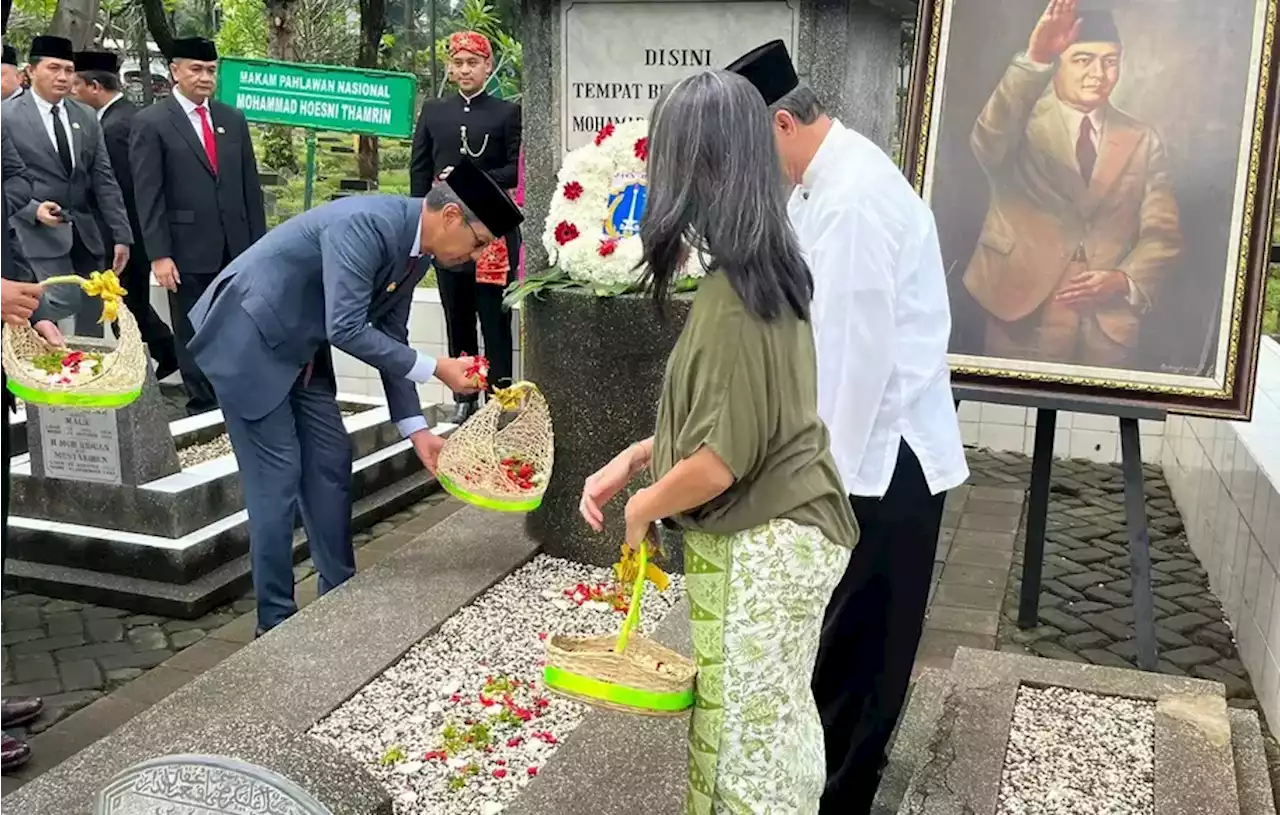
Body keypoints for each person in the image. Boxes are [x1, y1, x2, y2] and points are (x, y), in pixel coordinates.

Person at [577, 70, 858, 814]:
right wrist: (639, 456)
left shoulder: (737, 294)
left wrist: (644, 508)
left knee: (744, 753)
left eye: (664, 156)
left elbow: (719, 463)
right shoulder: (763, 269)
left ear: (699, 168)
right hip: (786, 529)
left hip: (764, 535)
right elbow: (741, 419)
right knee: (766, 726)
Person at [728, 40, 969, 813]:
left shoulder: (855, 195)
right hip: (853, 457)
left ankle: (838, 801)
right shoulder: (820, 184)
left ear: (780, 124)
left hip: (880, 460)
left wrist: (805, 486)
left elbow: (852, 363)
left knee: (860, 658)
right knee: (837, 651)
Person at [187, 159, 520, 636]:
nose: (476, 256)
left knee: (329, 459)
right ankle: (275, 621)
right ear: (451, 218)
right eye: (480, 241)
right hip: (250, 340)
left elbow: (390, 332)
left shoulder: (417, 250)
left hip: (300, 348)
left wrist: (417, 431)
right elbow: (345, 327)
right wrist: (437, 369)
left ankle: (339, 595)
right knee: (277, 477)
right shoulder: (366, 224)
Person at [965, 0, 1180, 367]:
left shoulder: (1143, 138)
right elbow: (987, 143)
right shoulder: (1019, 122)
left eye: (1110, 61)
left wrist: (1122, 279)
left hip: (1108, 327)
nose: (1099, 73)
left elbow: (1163, 234)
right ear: (1058, 62)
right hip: (1018, 308)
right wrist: (1034, 57)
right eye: (1083, 59)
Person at [131, 36, 266, 415]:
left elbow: (249, 189)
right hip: (187, 247)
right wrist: (159, 254)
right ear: (175, 71)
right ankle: (203, 405)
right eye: (196, 69)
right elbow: (149, 194)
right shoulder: (152, 123)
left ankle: (236, 396)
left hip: (236, 246)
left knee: (238, 325)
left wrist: (260, 248)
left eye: (211, 70)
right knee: (194, 328)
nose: (205, 77)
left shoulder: (231, 119)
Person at [409, 30, 520, 424]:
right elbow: (419, 169)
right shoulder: (435, 111)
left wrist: (468, 177)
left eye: (472, 62)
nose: (464, 69)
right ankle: (465, 395)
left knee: (495, 318)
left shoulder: (506, 112)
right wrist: (418, 223)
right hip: (445, 231)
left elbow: (515, 168)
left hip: (492, 231)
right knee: (457, 315)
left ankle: (501, 395)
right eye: (457, 63)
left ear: (488, 66)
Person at [0, 34, 131, 339]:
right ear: (31, 71)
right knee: (44, 318)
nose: (62, 77)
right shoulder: (7, 115)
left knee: (92, 324)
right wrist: (33, 210)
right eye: (53, 68)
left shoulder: (84, 115)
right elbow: (9, 180)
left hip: (84, 234)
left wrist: (120, 234)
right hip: (31, 237)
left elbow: (103, 177)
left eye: (69, 70)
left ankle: (85, 382)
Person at [71, 49, 178, 380]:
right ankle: (163, 352)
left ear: (93, 87)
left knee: (123, 303)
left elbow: (121, 188)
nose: (71, 92)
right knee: (125, 300)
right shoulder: (118, 118)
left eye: (76, 85)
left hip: (125, 232)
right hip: (126, 231)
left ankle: (147, 363)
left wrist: (121, 236)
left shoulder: (117, 127)